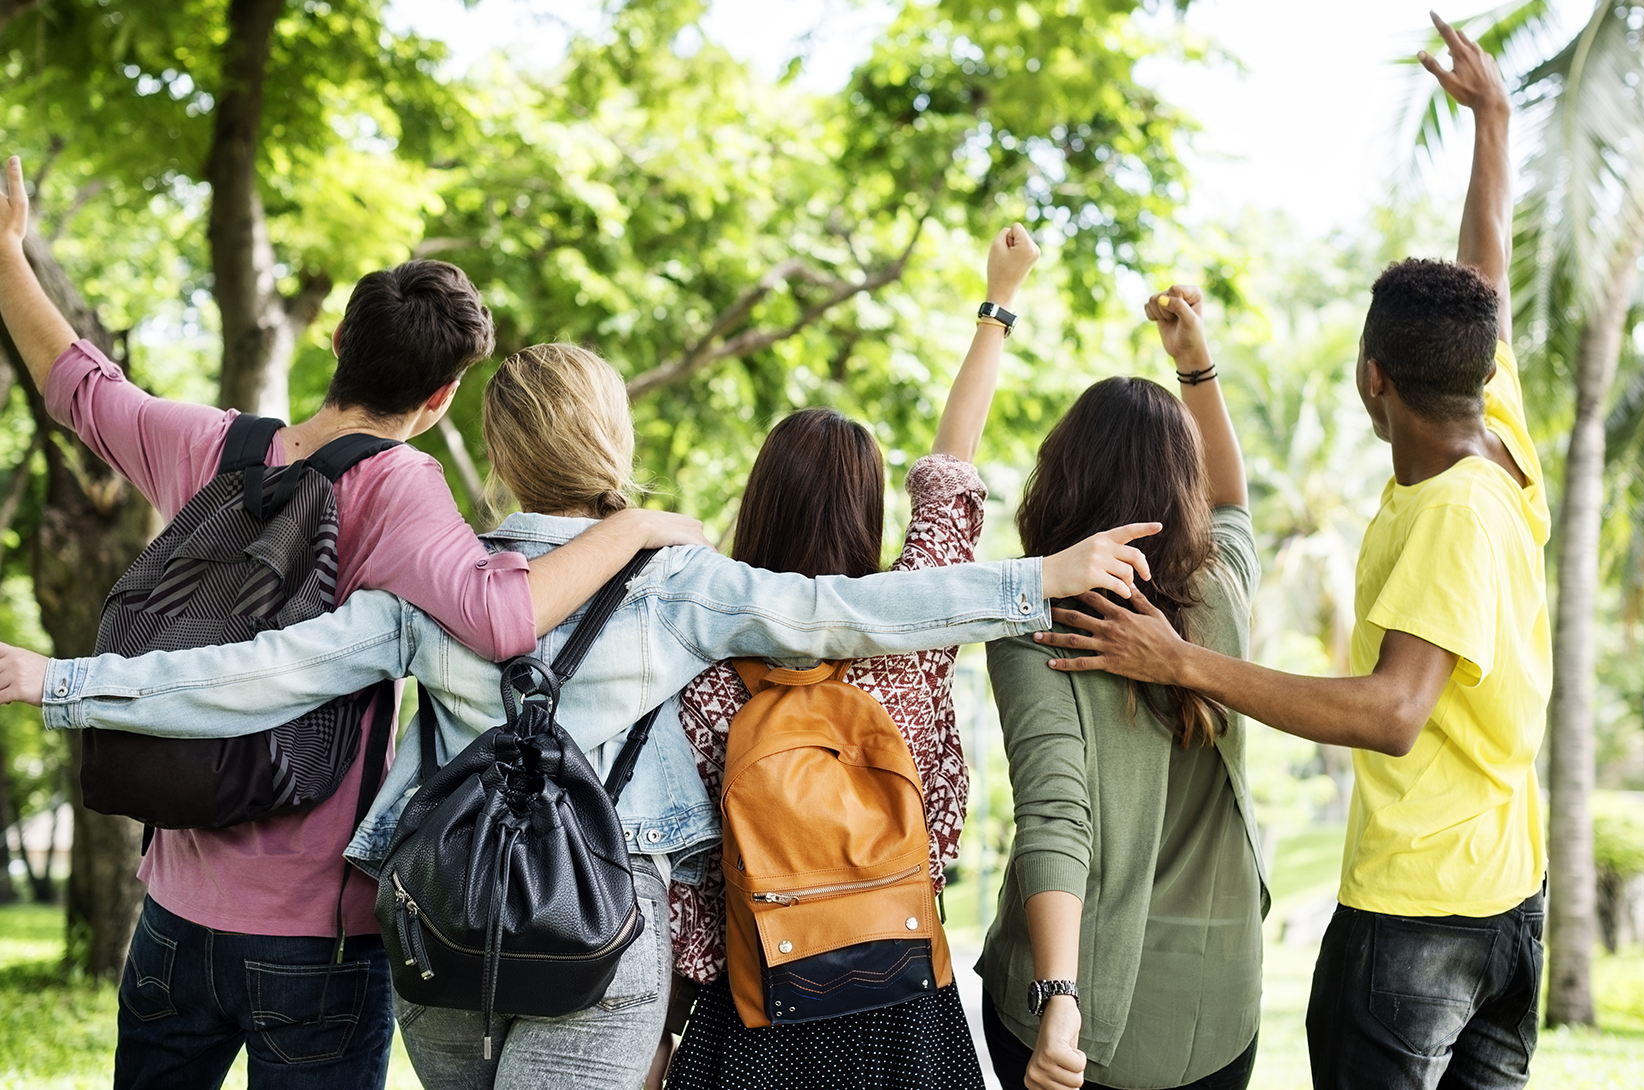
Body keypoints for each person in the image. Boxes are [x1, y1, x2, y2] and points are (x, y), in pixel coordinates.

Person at [0, 338, 1161, 1090]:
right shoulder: (676, 581)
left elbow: (256, 673)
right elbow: (856, 612)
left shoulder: (430, 586)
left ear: (494, 453)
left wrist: (66, 680)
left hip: (440, 936)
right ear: (616, 444)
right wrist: (1034, 581)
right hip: (604, 939)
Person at [0, 134, 706, 1090]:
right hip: (317, 935)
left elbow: (80, 389)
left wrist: (2, 247)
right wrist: (632, 527)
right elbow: (503, 618)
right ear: (439, 399)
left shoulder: (212, 448)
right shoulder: (400, 489)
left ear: (337, 340)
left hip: (174, 912)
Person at [1034, 16, 1549, 1090]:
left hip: (1422, 919)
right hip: (1511, 899)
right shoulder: (1495, 430)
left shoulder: (1453, 512)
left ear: (1373, 381)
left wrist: (1177, 661)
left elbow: (1393, 712)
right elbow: (1484, 277)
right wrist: (1494, 125)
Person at [661, 224, 1042, 1090]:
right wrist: (999, 301)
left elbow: (688, 882)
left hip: (756, 1003)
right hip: (901, 996)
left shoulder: (704, 661)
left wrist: (664, 1034)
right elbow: (951, 472)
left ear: (758, 504)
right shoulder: (909, 636)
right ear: (867, 512)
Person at [975, 282, 1262, 1090]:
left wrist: (1059, 996)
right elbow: (1234, 501)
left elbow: (1054, 813)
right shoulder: (1221, 593)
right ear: (1183, 486)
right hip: (1216, 1010)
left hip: (1076, 1015)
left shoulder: (1039, 620)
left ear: (1061, 475)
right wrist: (1195, 366)